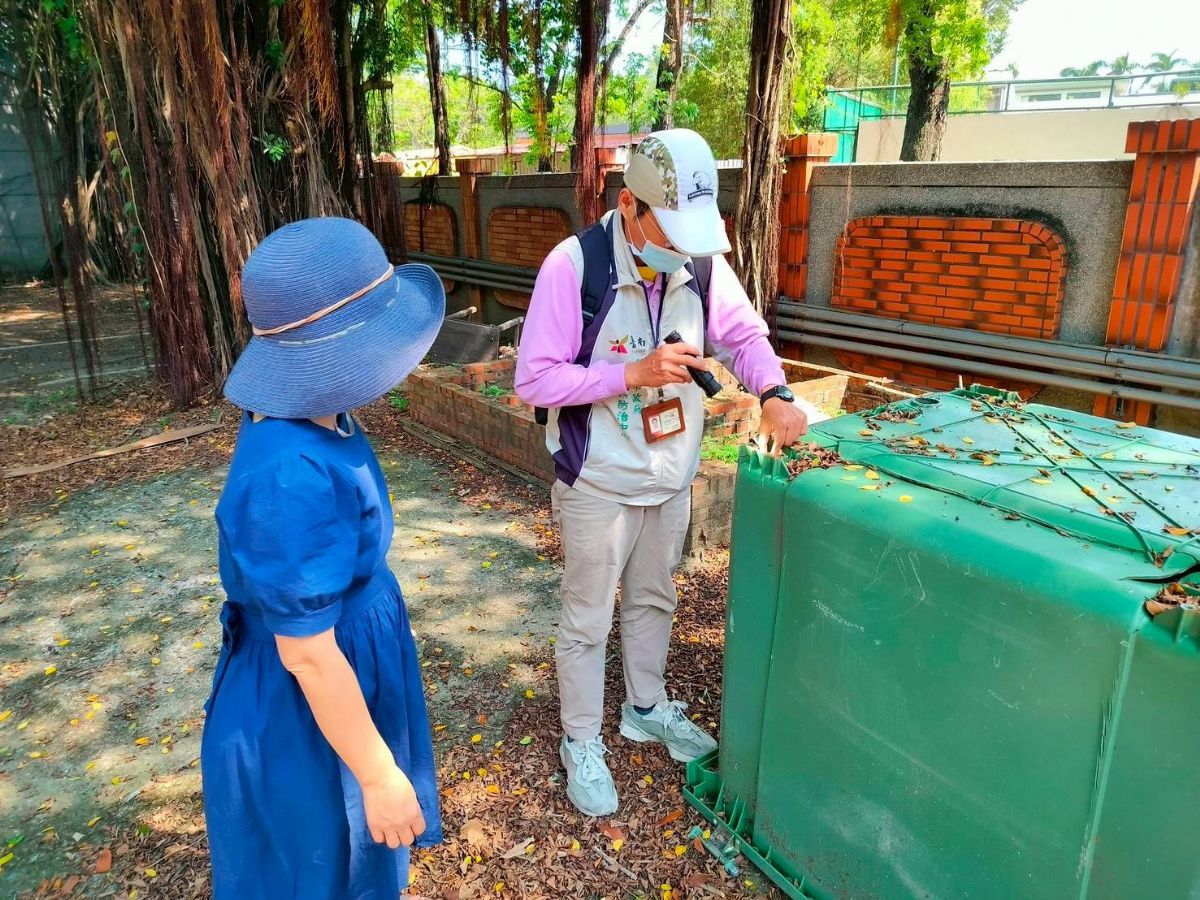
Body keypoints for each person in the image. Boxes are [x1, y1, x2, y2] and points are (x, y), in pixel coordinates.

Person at [515, 129, 823, 816]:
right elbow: (534, 378)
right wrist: (630, 374)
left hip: (670, 475)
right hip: (599, 479)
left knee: (655, 598)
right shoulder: (573, 267)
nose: (681, 250)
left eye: (690, 235)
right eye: (670, 232)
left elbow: (743, 335)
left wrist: (775, 393)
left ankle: (645, 708)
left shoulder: (699, 263)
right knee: (587, 619)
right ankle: (580, 739)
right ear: (629, 204)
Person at [201, 217, 445, 898]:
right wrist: (377, 773)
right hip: (306, 701)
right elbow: (307, 653)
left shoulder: (321, 411)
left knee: (362, 861)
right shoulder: (288, 474)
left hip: (348, 665)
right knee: (325, 867)